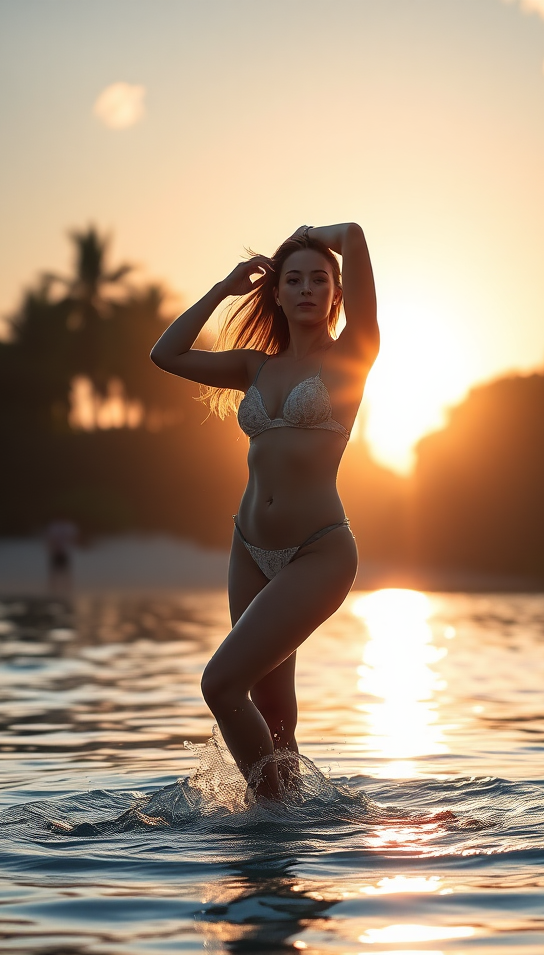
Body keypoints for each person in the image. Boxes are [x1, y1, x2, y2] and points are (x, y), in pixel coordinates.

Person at [150, 223, 379, 800]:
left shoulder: (353, 354)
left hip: (319, 551)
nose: (306, 288)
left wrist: (311, 234)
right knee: (274, 714)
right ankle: (287, 835)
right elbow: (165, 353)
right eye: (293, 279)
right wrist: (224, 289)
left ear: (336, 294)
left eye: (319, 280)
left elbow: (352, 235)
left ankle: (267, 815)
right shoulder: (255, 368)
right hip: (248, 548)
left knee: (221, 685)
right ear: (275, 293)